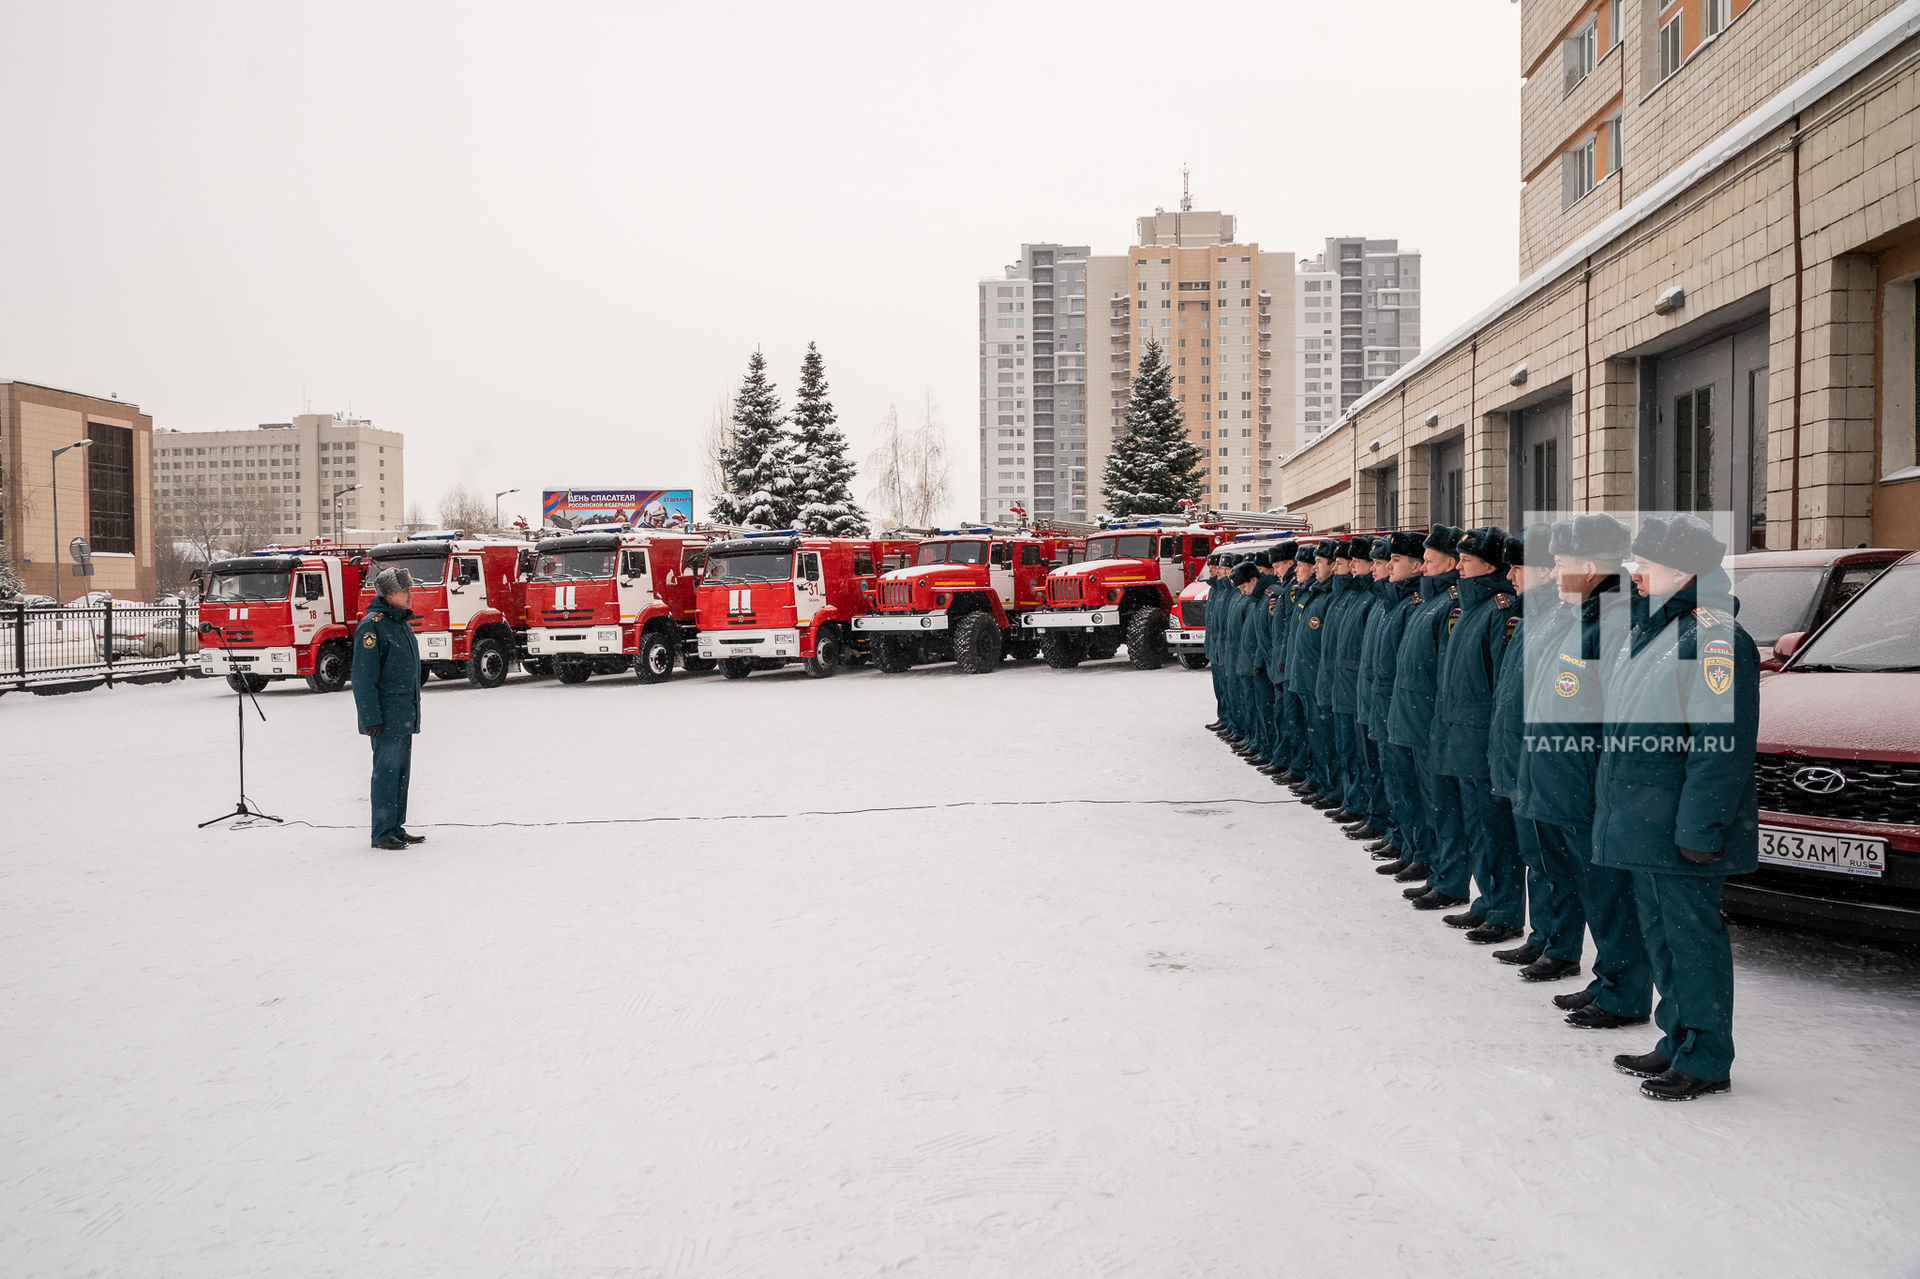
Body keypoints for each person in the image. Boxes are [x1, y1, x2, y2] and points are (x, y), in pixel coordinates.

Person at [1594, 514, 1759, 1101]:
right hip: (1645, 820)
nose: (1635, 573)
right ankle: (1676, 1040)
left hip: (1677, 826)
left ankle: (1706, 1056)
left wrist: (1700, 827)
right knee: (1663, 937)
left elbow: (1721, 749)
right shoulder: (1656, 631)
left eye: (1649, 564)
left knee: (1692, 942)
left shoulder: (1713, 637)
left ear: (1684, 572)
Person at [1524, 514, 1654, 1016]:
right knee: (1588, 890)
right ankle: (1608, 981)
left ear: (1590, 564)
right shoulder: (1580, 616)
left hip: (1586, 784)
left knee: (1610, 895)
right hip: (1559, 779)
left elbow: (1616, 717)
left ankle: (1624, 992)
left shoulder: (1617, 622)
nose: (1555, 575)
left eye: (1561, 565)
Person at [1488, 523, 1589, 981]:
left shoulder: (1564, 617)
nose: (1510, 575)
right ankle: (1544, 937)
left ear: (1547, 571)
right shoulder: (1536, 616)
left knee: (1557, 863)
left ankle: (1561, 946)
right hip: (1523, 758)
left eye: (1519, 566)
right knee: (1538, 857)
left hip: (1548, 760)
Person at [1431, 525, 1527, 943]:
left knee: (1496, 829)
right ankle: (1487, 902)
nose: (1460, 566)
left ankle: (1505, 910)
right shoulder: (1469, 610)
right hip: (1463, 736)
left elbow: (1501, 686)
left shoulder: (1500, 610)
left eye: (1467, 560)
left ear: (1490, 566)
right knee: (1479, 826)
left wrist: (1491, 739)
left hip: (1484, 739)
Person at [1387, 525, 1472, 911]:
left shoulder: (1449, 606)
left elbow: (1446, 676)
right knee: (1429, 804)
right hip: (1417, 720)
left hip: (1432, 724)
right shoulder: (1429, 603)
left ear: (1450, 564)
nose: (1422, 568)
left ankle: (1450, 879)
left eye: (1430, 561)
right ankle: (1437, 870)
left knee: (1445, 810)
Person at [1364, 532, 1430, 878]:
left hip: (1404, 711)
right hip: (1388, 707)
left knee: (1412, 788)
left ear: (1417, 566)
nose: (1387, 566)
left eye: (1395, 560)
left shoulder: (1413, 605)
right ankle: (1405, 842)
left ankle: (1419, 851)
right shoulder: (1391, 602)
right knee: (1397, 783)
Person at [352, 565, 426, 851]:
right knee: (386, 774)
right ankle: (382, 832)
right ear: (388, 594)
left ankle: (395, 826)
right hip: (385, 718)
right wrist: (370, 716)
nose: (410, 595)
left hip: (403, 714)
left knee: (401, 774)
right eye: (404, 591)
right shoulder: (373, 626)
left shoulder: (399, 623)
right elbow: (363, 676)